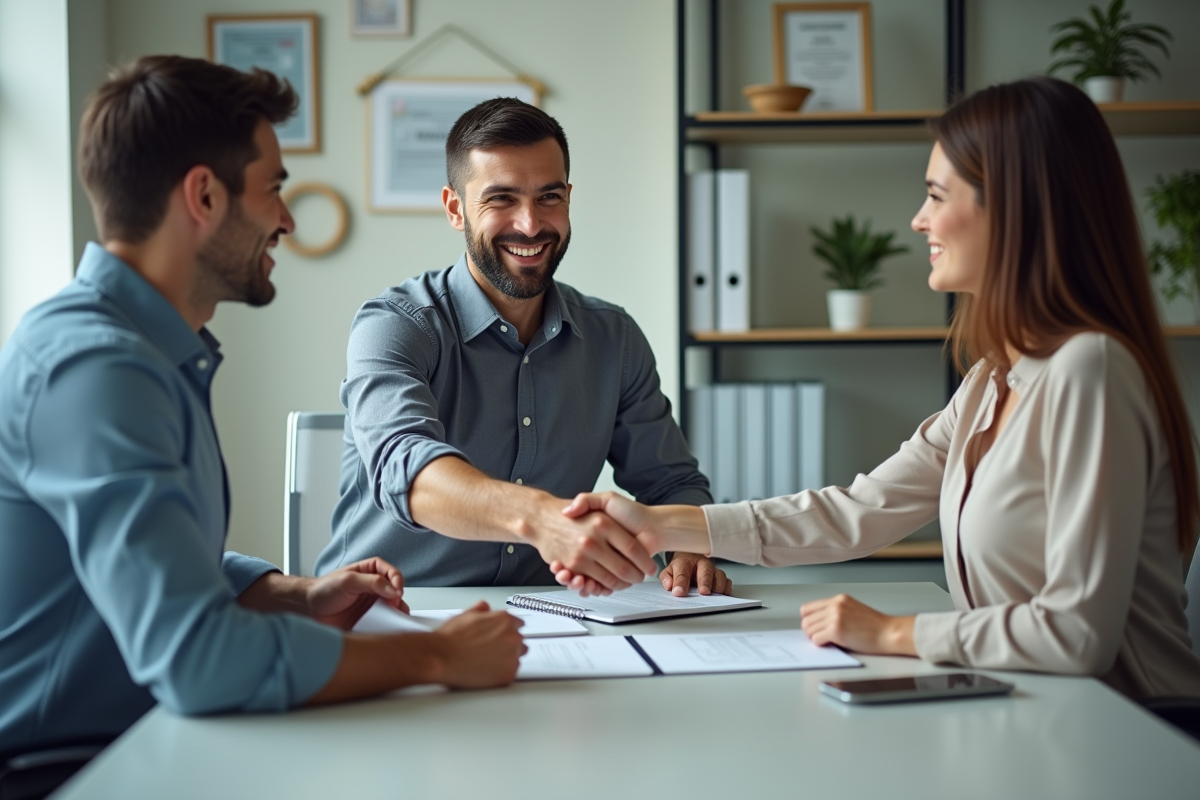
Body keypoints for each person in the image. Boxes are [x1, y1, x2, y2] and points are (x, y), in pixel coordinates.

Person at [556, 76, 1200, 700]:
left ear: (1014, 206)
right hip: (1035, 706)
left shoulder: (1090, 369)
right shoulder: (990, 384)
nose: (919, 221)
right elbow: (856, 513)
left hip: (1136, 726)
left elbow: (1077, 633)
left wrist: (891, 631)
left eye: (937, 196)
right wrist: (657, 524)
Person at [0, 56, 526, 760]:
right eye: (273, 189)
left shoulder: (144, 349)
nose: (285, 218)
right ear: (204, 197)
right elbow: (197, 656)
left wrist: (291, 594)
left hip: (145, 741)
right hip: (67, 769)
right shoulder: (94, 368)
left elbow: (153, 563)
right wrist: (436, 657)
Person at [316, 98, 730, 597]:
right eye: (502, 200)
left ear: (569, 199)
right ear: (455, 208)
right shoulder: (395, 326)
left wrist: (689, 549)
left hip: (551, 619)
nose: (531, 224)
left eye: (549, 197)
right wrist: (539, 518)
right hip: (392, 610)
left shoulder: (614, 339)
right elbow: (409, 471)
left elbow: (670, 484)